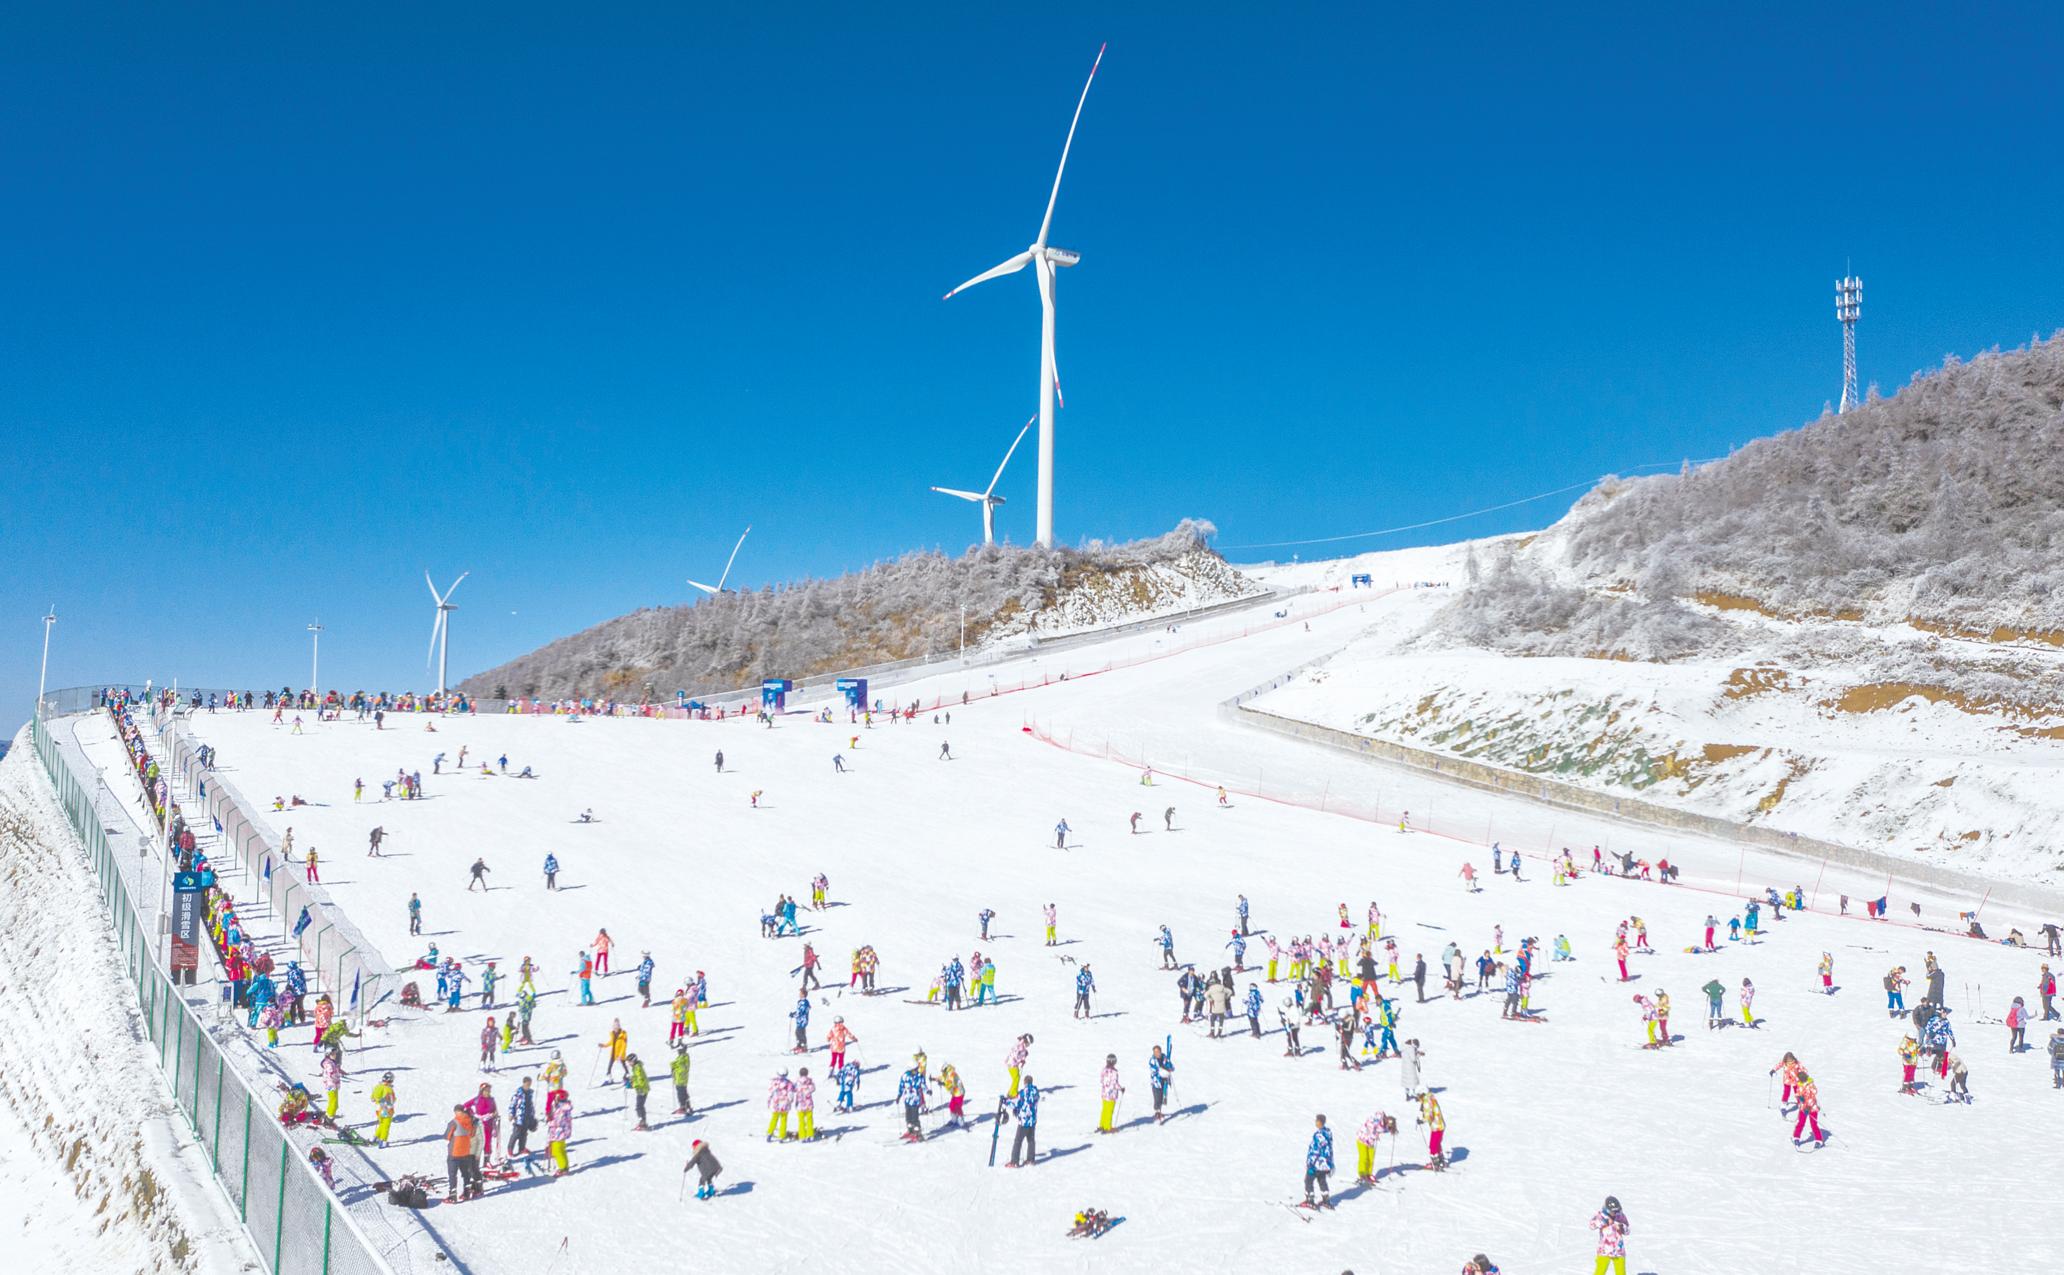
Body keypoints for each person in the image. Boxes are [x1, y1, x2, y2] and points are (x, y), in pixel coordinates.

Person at [444, 1103, 484, 1202]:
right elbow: (472, 1134)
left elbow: (446, 1136)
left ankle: (453, 1195)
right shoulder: (471, 1122)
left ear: (457, 1111)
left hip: (454, 1152)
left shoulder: (454, 1122)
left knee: (452, 1174)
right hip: (466, 1152)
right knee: (465, 1173)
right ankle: (467, 1192)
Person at [1590, 1196, 1631, 1275]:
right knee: (1600, 1272)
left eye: (1616, 1211)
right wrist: (1604, 1221)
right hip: (1604, 1250)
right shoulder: (1601, 1215)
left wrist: (1622, 1227)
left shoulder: (1620, 1216)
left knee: (1621, 1273)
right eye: (1612, 1211)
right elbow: (1592, 1225)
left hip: (1619, 1250)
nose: (1614, 1213)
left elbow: (1628, 1231)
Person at [1005, 1076, 1041, 1166]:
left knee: (1018, 1141)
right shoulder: (1036, 1092)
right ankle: (1030, 1159)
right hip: (1032, 1121)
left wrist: (1006, 1101)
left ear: (1025, 1082)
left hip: (1024, 1121)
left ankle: (1014, 1161)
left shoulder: (1023, 1092)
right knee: (1031, 1140)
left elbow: (1017, 1104)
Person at [1303, 1114, 1335, 1208]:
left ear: (1320, 1122)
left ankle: (1310, 1200)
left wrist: (1311, 1163)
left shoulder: (1319, 1135)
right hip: (1325, 1165)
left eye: (1317, 1120)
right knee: (1322, 1180)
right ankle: (1326, 1199)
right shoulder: (1327, 1133)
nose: (1315, 1122)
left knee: (1308, 1180)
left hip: (1316, 1164)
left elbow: (1316, 1151)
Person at [545, 1091, 574, 1176]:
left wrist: (550, 1122)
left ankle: (562, 1168)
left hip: (559, 1132)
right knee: (561, 1149)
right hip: (561, 1132)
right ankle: (565, 1166)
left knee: (556, 1150)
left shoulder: (562, 1109)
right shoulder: (561, 1107)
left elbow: (558, 1121)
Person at [1147, 1044, 1175, 1123]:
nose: (1156, 1054)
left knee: (1162, 1097)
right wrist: (1162, 1069)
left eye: (1158, 1052)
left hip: (1164, 1081)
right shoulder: (1152, 1060)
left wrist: (1169, 1068)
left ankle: (1159, 1111)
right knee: (1157, 1097)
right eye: (1155, 1052)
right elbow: (1154, 1069)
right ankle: (1157, 1112)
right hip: (1156, 1082)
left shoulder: (1164, 1057)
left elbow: (1172, 1067)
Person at [1096, 1055, 1123, 1133]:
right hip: (1111, 1094)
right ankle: (1108, 1127)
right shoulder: (1114, 1072)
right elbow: (1114, 1083)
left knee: (1104, 1110)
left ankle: (1102, 1125)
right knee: (1109, 1111)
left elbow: (1101, 1080)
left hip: (1104, 1093)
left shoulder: (1104, 1070)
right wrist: (1121, 1088)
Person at [370, 1072, 396, 1147]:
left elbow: (372, 1098)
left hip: (378, 1109)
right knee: (386, 1126)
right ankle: (383, 1141)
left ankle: (375, 1137)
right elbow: (392, 1100)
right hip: (387, 1110)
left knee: (381, 1123)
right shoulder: (388, 1089)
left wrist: (377, 1100)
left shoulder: (377, 1087)